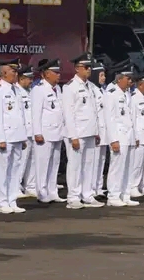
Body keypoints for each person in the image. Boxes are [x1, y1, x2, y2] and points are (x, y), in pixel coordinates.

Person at [61, 53, 102, 209]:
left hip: (90, 131)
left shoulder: (90, 86)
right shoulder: (70, 87)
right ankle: (73, 197)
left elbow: (94, 111)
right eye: (86, 67)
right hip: (77, 133)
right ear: (77, 68)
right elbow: (69, 113)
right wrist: (73, 136)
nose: (89, 69)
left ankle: (87, 195)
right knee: (75, 166)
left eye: (90, 67)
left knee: (88, 165)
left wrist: (97, 131)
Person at [0, 58, 28, 214]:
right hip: (5, 136)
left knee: (15, 170)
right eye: (13, 71)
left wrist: (24, 136)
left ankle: (12, 200)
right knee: (2, 171)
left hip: (17, 135)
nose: (16, 74)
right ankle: (2, 202)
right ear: (4, 73)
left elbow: (21, 115)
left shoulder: (17, 90)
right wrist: (0, 138)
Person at [30, 58, 66, 204]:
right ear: (46, 74)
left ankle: (52, 191)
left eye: (59, 72)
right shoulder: (38, 89)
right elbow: (35, 113)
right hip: (45, 133)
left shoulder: (58, 89)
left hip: (57, 132)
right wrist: (37, 132)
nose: (58, 75)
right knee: (42, 164)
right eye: (55, 72)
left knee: (54, 164)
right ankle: (42, 192)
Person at [103, 68, 138, 207]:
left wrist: (135, 136)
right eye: (128, 78)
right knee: (117, 167)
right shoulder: (111, 93)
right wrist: (113, 139)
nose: (130, 81)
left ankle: (125, 194)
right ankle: (113, 196)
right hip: (119, 135)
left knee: (128, 166)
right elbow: (109, 118)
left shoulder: (127, 93)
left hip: (129, 135)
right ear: (119, 79)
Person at [16, 65, 36, 198]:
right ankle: (16, 186)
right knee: (21, 162)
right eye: (29, 78)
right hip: (23, 132)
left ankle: (30, 186)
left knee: (32, 161)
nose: (31, 81)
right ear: (22, 79)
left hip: (32, 131)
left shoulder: (30, 91)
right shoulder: (17, 91)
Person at [88, 61, 107, 198]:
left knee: (101, 160)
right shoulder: (92, 89)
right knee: (94, 161)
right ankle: (92, 188)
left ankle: (98, 187)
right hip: (96, 130)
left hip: (104, 129)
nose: (104, 78)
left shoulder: (102, 89)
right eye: (101, 75)